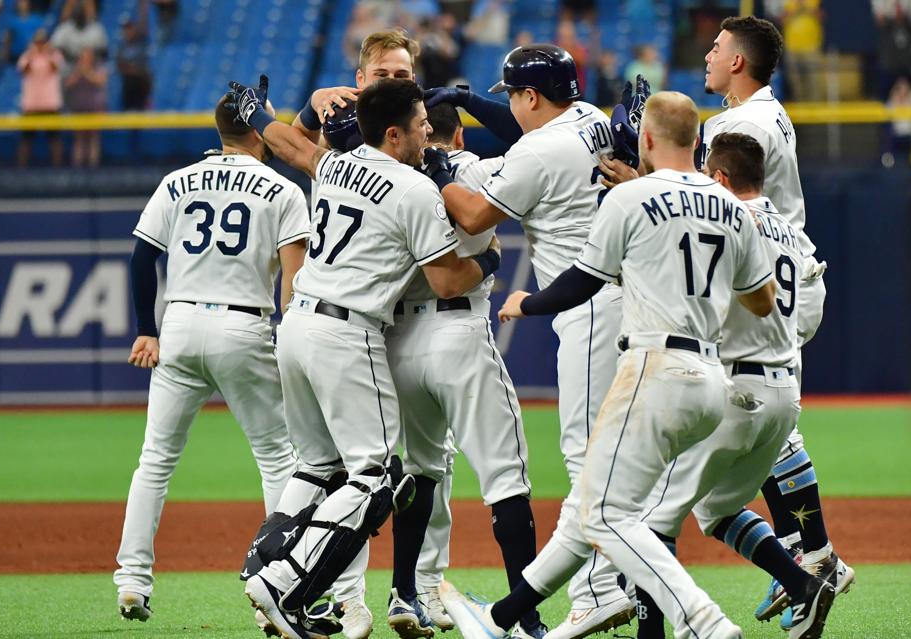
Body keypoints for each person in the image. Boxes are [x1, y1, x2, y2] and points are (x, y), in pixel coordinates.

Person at [440, 90, 777, 639]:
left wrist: (528, 303)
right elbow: (761, 302)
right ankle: (502, 619)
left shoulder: (630, 197)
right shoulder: (730, 206)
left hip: (656, 368)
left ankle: (706, 623)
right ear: (697, 139)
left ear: (646, 138)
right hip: (712, 378)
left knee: (602, 512)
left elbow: (582, 281)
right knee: (593, 503)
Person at [226, 76, 502, 639]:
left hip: (297, 323)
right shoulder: (415, 189)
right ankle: (281, 581)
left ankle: (264, 568)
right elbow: (448, 281)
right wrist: (493, 259)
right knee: (375, 478)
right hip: (347, 332)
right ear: (394, 134)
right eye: (421, 125)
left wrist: (257, 117)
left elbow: (289, 144)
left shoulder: (337, 163)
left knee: (316, 467)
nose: (429, 134)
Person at [423, 43, 636, 639]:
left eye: (514, 95)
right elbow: (527, 136)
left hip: (589, 307)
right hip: (627, 298)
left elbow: (473, 217)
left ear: (533, 96)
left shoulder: (540, 151)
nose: (511, 106)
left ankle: (598, 591)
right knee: (615, 456)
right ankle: (615, 583)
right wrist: (470, 102)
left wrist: (440, 172)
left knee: (587, 457)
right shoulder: (589, 116)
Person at [632, 131, 837, 639]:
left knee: (648, 516)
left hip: (734, 390)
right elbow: (810, 311)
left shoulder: (725, 223)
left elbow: (688, 292)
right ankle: (802, 585)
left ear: (721, 178)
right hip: (784, 397)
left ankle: (653, 632)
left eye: (707, 173)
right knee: (717, 509)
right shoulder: (791, 232)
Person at [113, 95, 307, 623]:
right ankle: (281, 584)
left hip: (178, 323)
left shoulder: (178, 181)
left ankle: (132, 580)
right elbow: (292, 281)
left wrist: (146, 329)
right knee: (277, 459)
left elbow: (142, 255)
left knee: (155, 460)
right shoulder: (284, 189)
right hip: (243, 324)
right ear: (259, 132)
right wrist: (292, 337)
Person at [701, 16, 854, 625]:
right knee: (765, 411)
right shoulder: (764, 111)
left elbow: (706, 199)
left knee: (755, 405)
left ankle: (813, 555)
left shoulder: (740, 125)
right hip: (788, 271)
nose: (708, 55)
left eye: (717, 48)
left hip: (764, 279)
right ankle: (809, 553)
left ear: (738, 61)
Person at [386, 100, 543, 639]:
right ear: (458, 136)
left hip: (399, 338)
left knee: (419, 468)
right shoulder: (474, 168)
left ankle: (403, 593)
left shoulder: (386, 175)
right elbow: (533, 144)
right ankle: (526, 619)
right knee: (505, 475)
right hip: (459, 330)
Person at [16, 27, 63, 167]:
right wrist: (32, 54)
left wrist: (48, 53)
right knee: (26, 139)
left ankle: (57, 169)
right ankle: (21, 169)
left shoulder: (54, 54)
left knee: (54, 138)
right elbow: (23, 70)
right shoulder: (27, 55)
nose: (40, 44)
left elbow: (55, 68)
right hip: (31, 103)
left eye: (42, 41)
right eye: (37, 42)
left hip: (50, 103)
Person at [64, 46, 106, 166]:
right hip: (79, 107)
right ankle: (77, 165)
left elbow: (100, 81)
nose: (86, 59)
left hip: (94, 106)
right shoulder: (75, 69)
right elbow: (68, 84)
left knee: (93, 137)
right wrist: (78, 73)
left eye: (88, 57)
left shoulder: (98, 68)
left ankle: (93, 165)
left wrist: (86, 72)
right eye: (83, 57)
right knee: (79, 138)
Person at [50, 0, 107, 78]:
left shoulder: (96, 29)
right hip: (69, 65)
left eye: (82, 11)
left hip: (91, 67)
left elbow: (103, 52)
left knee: (100, 69)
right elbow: (54, 48)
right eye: (78, 12)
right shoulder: (65, 28)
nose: (80, 14)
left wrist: (89, 57)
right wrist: (73, 57)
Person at [116, 14, 151, 110]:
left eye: (129, 28)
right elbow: (120, 65)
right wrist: (132, 68)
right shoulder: (122, 47)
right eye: (125, 29)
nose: (127, 31)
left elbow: (142, 66)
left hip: (141, 86)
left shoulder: (141, 43)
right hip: (128, 87)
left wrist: (131, 67)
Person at [2, 0, 44, 65]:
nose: (22, 4)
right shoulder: (12, 20)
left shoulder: (37, 20)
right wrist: (5, 52)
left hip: (31, 56)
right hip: (15, 56)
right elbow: (7, 39)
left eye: (24, 2)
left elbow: (41, 36)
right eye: (20, 2)